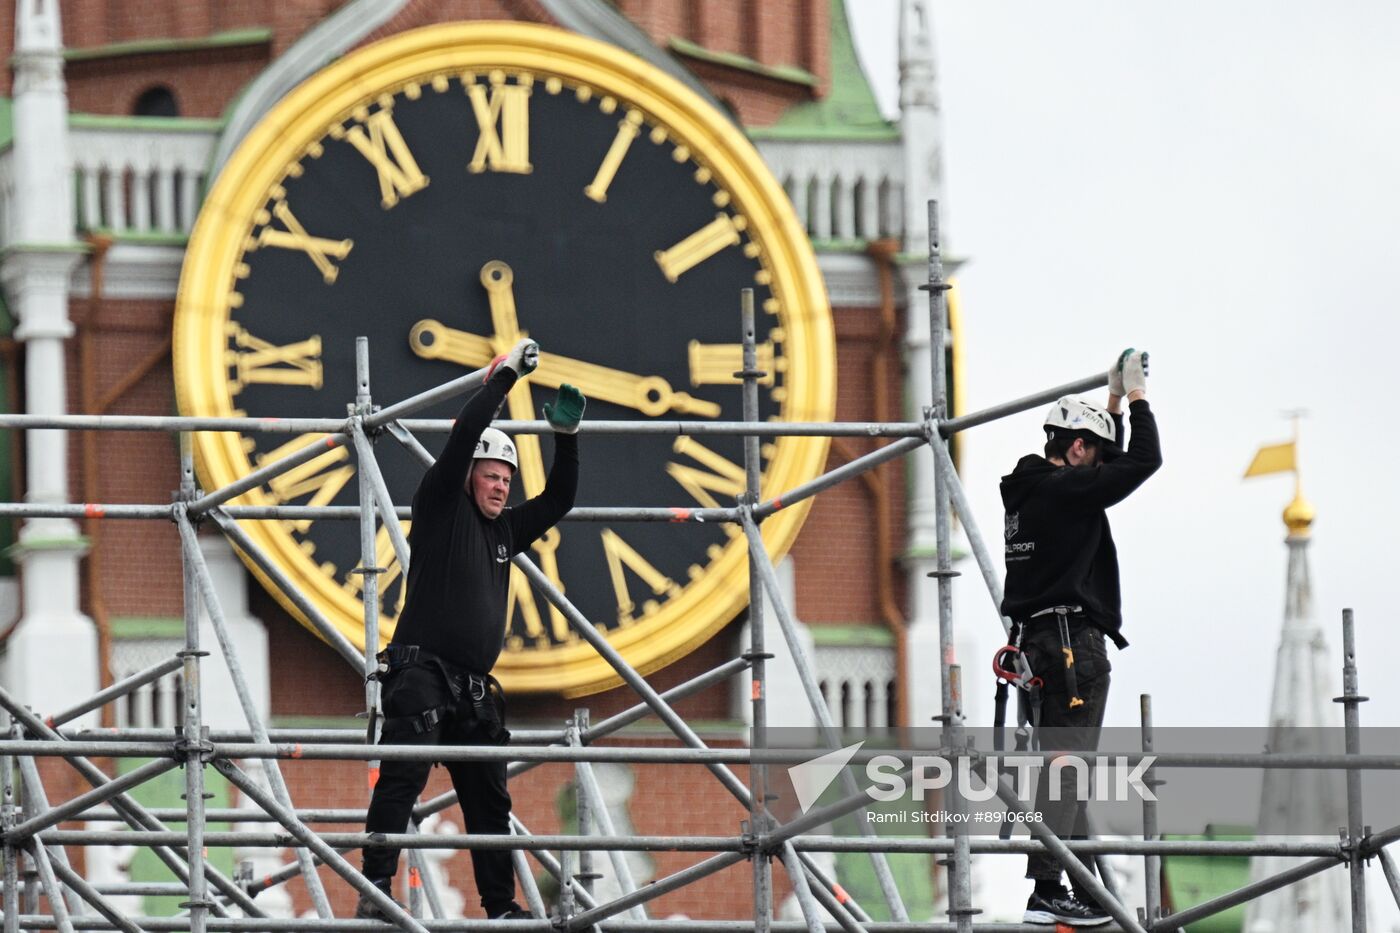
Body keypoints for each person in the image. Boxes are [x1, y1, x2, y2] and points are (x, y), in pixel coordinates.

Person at [356, 337, 584, 921]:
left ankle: (500, 906)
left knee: (489, 800)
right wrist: (504, 378)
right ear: (469, 478)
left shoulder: (504, 532)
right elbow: (462, 438)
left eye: (507, 478)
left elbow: (558, 499)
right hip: (422, 675)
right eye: (491, 476)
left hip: (473, 688)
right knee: (402, 779)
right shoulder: (442, 506)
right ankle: (375, 889)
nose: (502, 486)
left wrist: (565, 438)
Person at [1000, 349, 1160, 927]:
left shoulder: (1033, 490)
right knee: (1067, 768)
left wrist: (1110, 403)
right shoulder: (1066, 490)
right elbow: (1143, 461)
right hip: (1072, 645)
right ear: (1075, 449)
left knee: (1067, 768)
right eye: (1092, 450)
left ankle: (1083, 886)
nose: (1099, 464)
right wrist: (1138, 399)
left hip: (1040, 645)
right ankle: (1047, 887)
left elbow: (1108, 464)